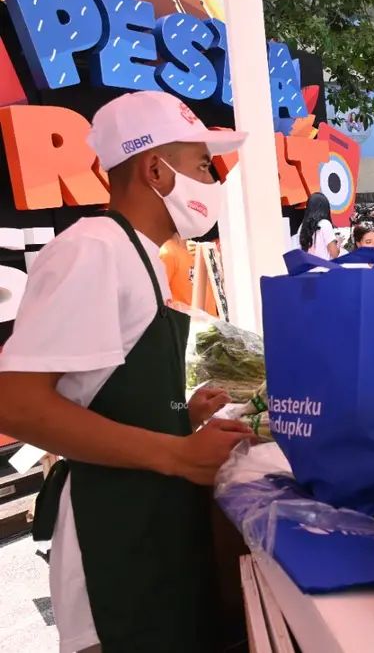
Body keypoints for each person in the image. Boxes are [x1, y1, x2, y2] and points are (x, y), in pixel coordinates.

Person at [0, 91, 254, 651]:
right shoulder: (94, 248)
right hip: (110, 538)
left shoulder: (142, 257)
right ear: (155, 169)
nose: (212, 180)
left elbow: (93, 396)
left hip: (151, 526)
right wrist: (176, 454)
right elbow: (18, 405)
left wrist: (177, 415)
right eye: (201, 166)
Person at [297, 192, 341, 260]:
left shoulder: (302, 226)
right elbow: (334, 254)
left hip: (308, 268)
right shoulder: (325, 224)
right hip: (324, 268)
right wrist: (339, 242)